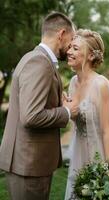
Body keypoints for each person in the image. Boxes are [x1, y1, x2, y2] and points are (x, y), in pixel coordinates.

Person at [0, 12, 79, 200]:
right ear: (61, 34)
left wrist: (57, 101)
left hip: (30, 162)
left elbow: (30, 106)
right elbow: (31, 116)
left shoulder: (35, 58)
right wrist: (67, 112)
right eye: (72, 39)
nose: (70, 47)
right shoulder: (39, 62)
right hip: (29, 164)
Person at [64, 29, 109, 199]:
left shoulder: (101, 85)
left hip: (101, 154)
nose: (68, 52)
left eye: (75, 48)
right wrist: (68, 111)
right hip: (80, 154)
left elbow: (107, 132)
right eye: (70, 47)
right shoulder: (73, 82)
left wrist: (107, 171)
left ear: (90, 56)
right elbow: (77, 121)